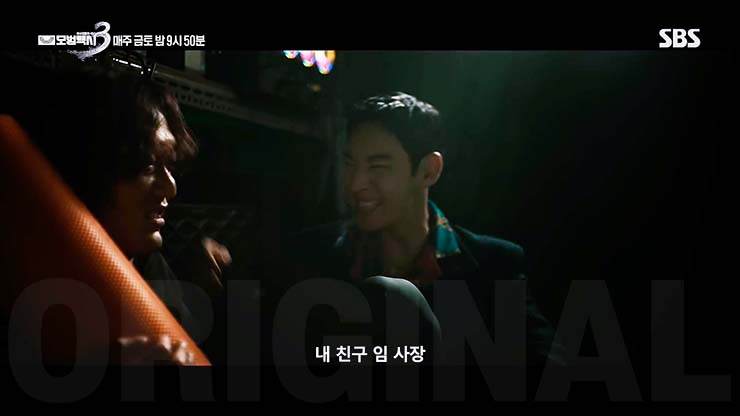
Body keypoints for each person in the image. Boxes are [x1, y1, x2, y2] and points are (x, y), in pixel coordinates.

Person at [285, 92, 565, 368]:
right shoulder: (311, 254)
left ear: (429, 170)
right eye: (349, 163)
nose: (355, 184)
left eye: (378, 166)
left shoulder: (493, 267)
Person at [11, 62, 230, 365]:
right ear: (91, 168)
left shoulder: (149, 261)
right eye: (147, 165)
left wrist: (197, 285)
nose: (170, 188)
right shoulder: (27, 290)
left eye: (170, 164)